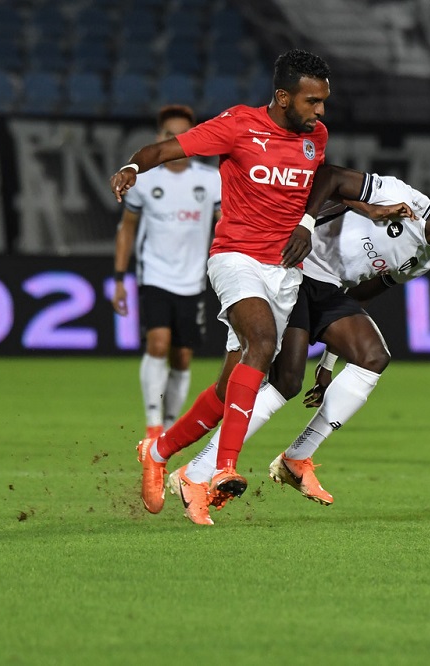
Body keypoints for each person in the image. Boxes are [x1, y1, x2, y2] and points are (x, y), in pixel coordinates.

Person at [164, 171, 430, 525]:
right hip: (296, 268)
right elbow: (331, 177)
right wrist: (306, 226)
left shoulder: (422, 260)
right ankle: (196, 473)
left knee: (373, 357)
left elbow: (357, 297)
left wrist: (328, 361)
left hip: (327, 289)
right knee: (285, 382)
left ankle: (295, 458)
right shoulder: (399, 195)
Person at [109, 48, 333, 516]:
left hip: (283, 271)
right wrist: (133, 166)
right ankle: (222, 468)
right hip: (234, 258)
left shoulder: (317, 138)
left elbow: (319, 187)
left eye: (323, 102)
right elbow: (166, 149)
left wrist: (307, 224)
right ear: (282, 97)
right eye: (312, 101)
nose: (320, 111)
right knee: (263, 342)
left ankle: (156, 451)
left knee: (231, 383)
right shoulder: (238, 125)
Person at [111, 104, 221, 445]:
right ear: (160, 138)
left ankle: (171, 424)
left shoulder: (210, 180)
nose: (176, 141)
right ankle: (153, 425)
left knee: (182, 355)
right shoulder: (145, 180)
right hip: (155, 276)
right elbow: (127, 229)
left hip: (193, 279)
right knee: (158, 343)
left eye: (183, 135)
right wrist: (119, 278)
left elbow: (223, 225)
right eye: (170, 135)